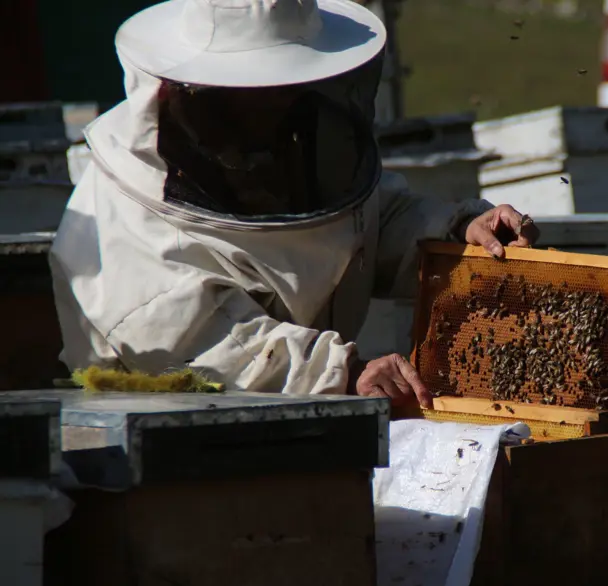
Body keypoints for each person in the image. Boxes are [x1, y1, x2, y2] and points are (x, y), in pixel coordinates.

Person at [49, 0, 538, 409]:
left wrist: (458, 229)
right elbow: (207, 347)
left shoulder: (286, 137)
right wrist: (347, 373)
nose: (281, 103)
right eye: (261, 90)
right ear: (197, 89)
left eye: (290, 84)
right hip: (170, 448)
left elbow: (367, 220)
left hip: (311, 428)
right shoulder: (120, 223)